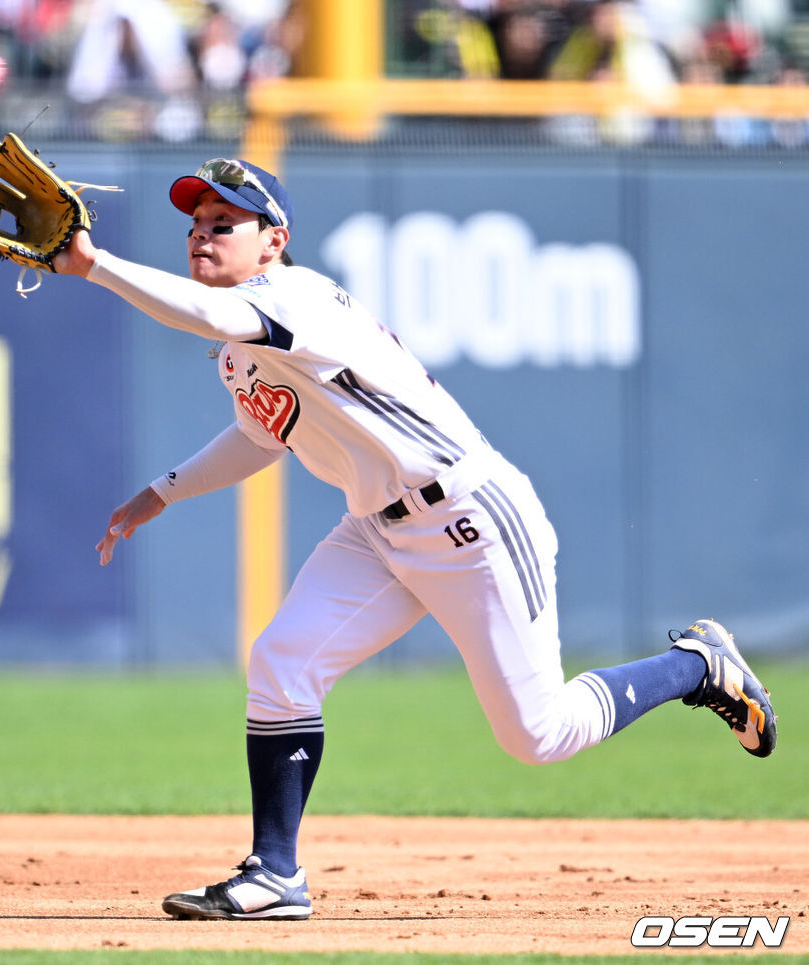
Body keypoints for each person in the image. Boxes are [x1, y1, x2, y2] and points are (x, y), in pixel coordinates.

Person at [52, 157, 777, 922]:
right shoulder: (239, 347)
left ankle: (695, 664)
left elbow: (203, 313)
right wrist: (160, 492)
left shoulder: (295, 298)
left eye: (223, 224)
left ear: (274, 240)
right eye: (196, 225)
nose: (203, 236)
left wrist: (94, 265)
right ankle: (274, 873)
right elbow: (260, 436)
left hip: (471, 518)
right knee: (282, 661)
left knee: (540, 734)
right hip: (376, 528)